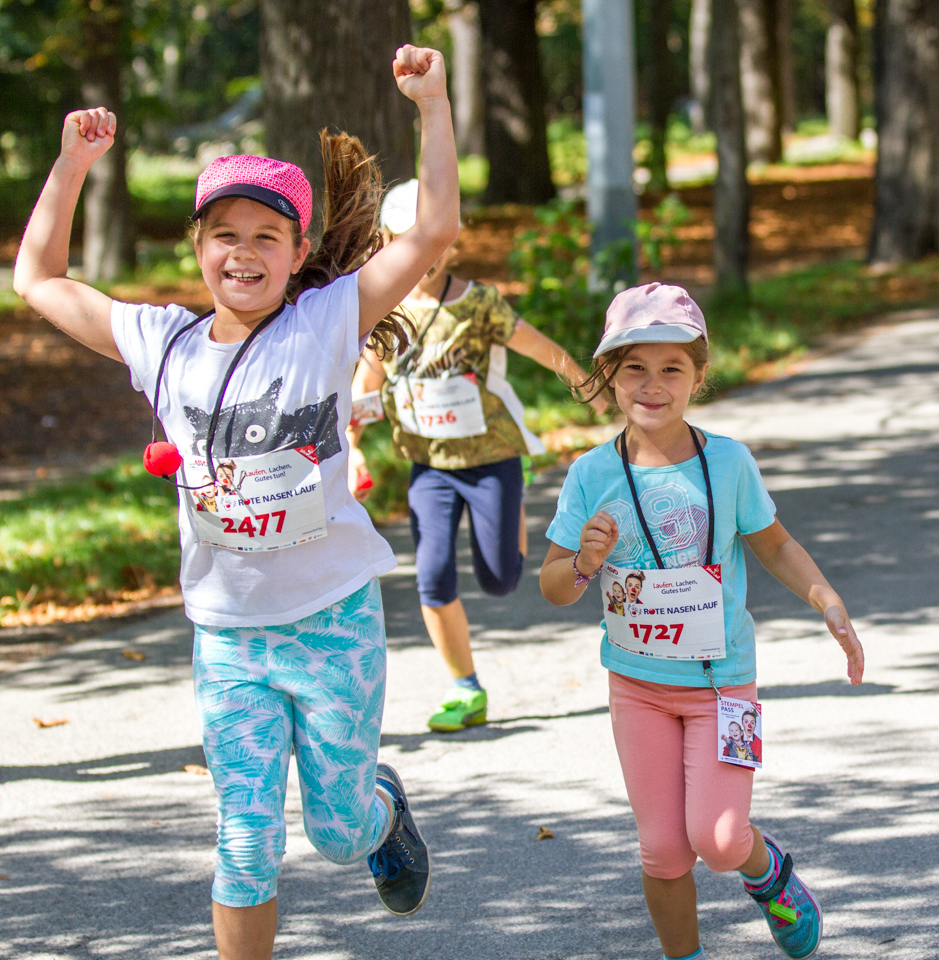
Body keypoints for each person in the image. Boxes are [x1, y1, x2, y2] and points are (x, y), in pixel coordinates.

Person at [14, 45, 459, 960]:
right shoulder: (161, 342)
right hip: (229, 635)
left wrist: (435, 103)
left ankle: (381, 816)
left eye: (266, 236)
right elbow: (38, 282)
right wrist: (70, 167)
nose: (243, 252)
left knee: (334, 835)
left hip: (332, 621)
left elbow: (431, 237)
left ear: (298, 252)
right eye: (224, 234)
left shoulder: (328, 318)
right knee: (245, 843)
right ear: (199, 248)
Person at [539, 282, 864, 960]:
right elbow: (553, 586)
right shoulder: (591, 473)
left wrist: (824, 599)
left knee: (717, 841)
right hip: (637, 686)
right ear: (607, 374)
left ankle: (767, 871)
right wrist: (583, 563)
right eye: (633, 367)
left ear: (697, 376)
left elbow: (773, 544)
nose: (651, 385)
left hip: (722, 687)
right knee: (661, 847)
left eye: (670, 369)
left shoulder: (727, 462)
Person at [346, 179, 607, 732]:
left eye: (435, 244)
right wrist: (352, 452)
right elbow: (362, 390)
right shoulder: (384, 315)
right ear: (389, 244)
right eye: (408, 243)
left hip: (491, 461)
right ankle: (465, 687)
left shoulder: (478, 302)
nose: (425, 257)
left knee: (499, 581)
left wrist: (587, 384)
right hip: (429, 467)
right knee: (432, 577)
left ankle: (511, 515)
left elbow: (537, 345)